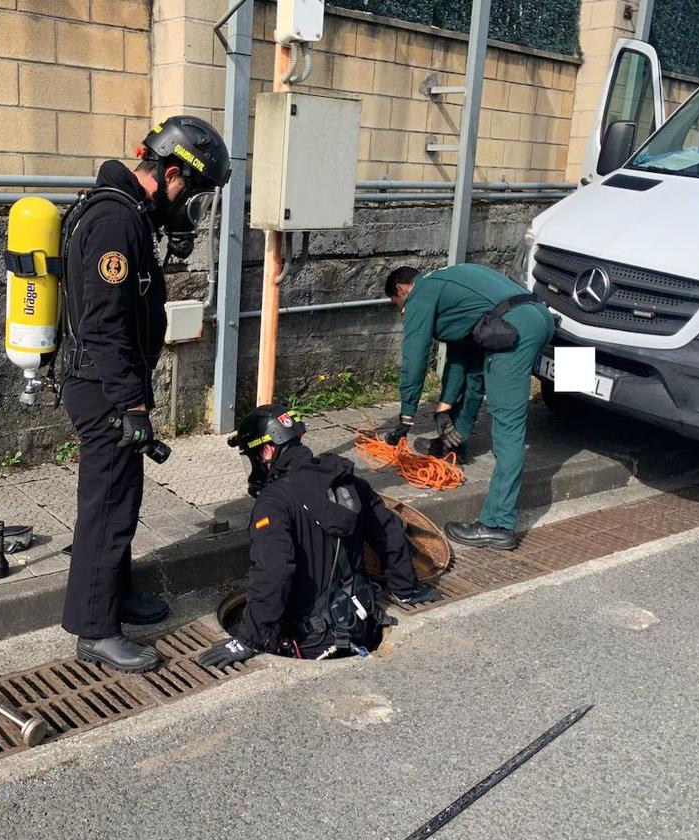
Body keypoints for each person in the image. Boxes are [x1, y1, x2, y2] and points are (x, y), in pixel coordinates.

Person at [61, 116, 229, 673]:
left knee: (123, 498)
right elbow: (105, 325)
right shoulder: (114, 222)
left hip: (109, 383)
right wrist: (133, 403)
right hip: (103, 387)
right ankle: (96, 628)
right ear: (173, 173)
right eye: (195, 196)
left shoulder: (126, 213)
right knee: (107, 506)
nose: (193, 208)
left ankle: (117, 594)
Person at [198, 405, 442, 669]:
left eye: (253, 456)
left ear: (267, 451)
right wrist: (406, 589)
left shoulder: (274, 501)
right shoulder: (347, 480)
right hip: (361, 622)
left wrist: (249, 640)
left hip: (310, 641)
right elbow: (390, 531)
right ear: (299, 439)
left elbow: (274, 571)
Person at [383, 264, 555, 551]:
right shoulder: (449, 282)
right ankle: (455, 446)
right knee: (479, 374)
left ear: (402, 289)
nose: (402, 312)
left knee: (508, 424)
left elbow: (414, 356)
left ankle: (498, 525)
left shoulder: (421, 293)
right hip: (537, 317)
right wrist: (443, 409)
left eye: (398, 305)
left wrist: (407, 415)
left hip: (515, 330)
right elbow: (463, 358)